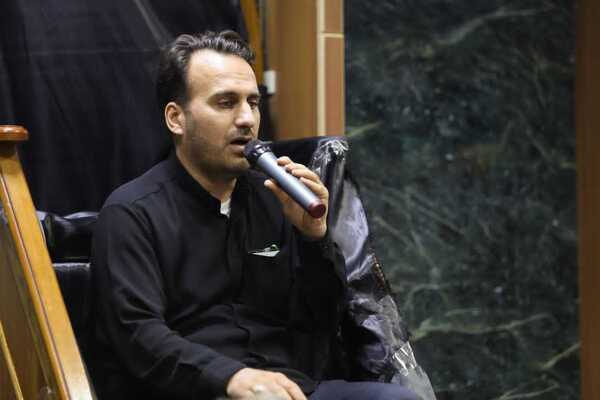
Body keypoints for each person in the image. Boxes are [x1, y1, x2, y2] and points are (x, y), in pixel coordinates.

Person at [91, 30, 421, 400]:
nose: (247, 119)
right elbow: (137, 333)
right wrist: (231, 378)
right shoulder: (132, 213)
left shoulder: (274, 197)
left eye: (253, 102)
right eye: (226, 103)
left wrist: (313, 238)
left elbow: (323, 323)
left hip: (292, 387)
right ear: (176, 118)